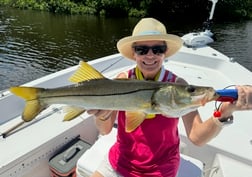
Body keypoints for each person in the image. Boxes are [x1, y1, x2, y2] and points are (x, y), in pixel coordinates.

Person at [87, 18, 252, 177]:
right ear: (134, 54)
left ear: (165, 52)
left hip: (161, 169)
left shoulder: (179, 85)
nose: (150, 56)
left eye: (157, 49)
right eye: (142, 50)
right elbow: (105, 129)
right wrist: (100, 114)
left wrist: (224, 113)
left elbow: (197, 137)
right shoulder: (123, 79)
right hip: (121, 160)